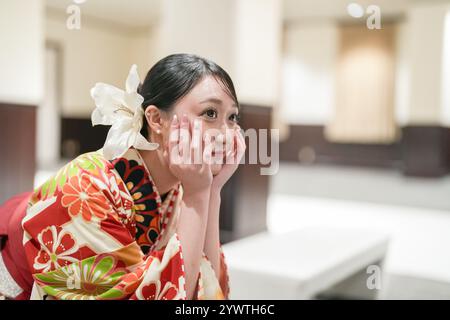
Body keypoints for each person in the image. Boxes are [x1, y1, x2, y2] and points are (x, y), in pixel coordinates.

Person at [0, 53, 246, 300]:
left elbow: (209, 288)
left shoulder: (181, 191)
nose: (226, 134)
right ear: (156, 119)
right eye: (210, 113)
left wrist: (211, 192)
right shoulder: (85, 185)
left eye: (232, 117)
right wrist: (197, 195)